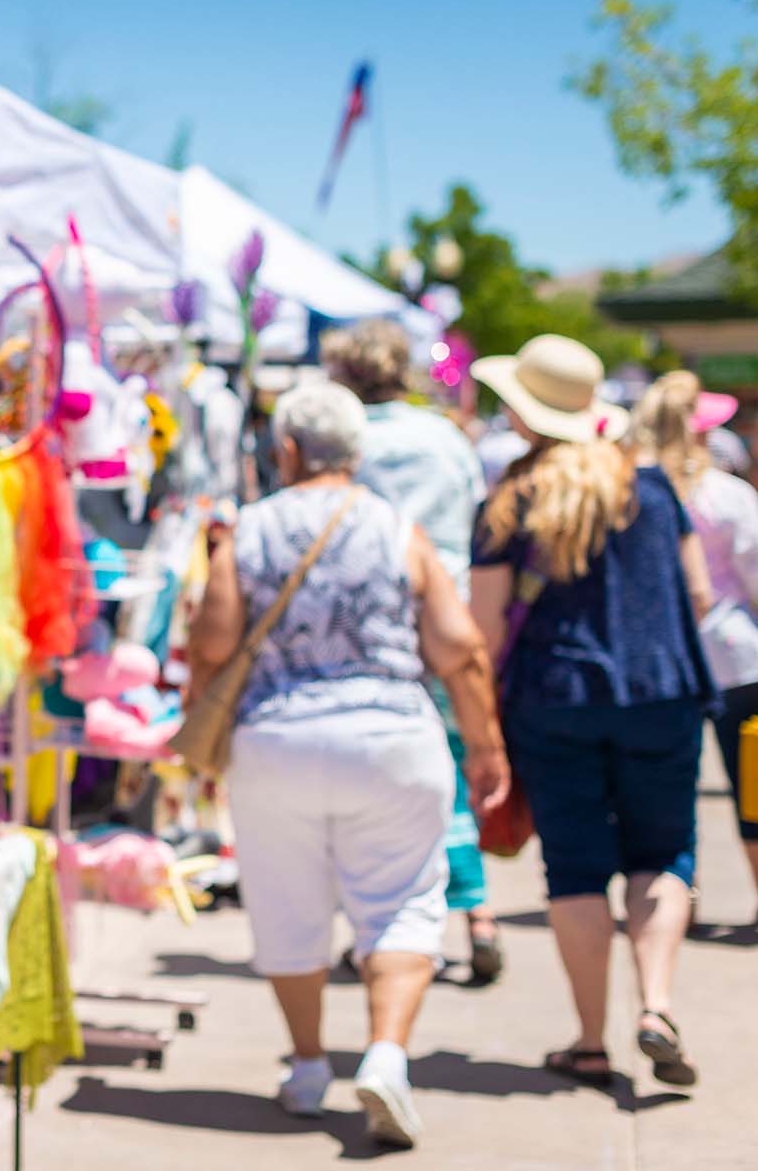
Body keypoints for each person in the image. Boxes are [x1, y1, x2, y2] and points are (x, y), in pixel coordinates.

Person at [187, 380, 509, 1148]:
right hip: (392, 738)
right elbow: (460, 649)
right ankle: (387, 1055)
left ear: (288, 451)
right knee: (401, 899)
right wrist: (487, 746)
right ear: (356, 451)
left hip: (278, 742)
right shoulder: (400, 528)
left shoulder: (249, 529)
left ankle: (305, 1067)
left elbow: (212, 643)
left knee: (286, 902)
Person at [470, 335, 714, 1088]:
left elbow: (481, 628)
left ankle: (588, 1039)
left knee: (575, 865)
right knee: (663, 853)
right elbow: (698, 594)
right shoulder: (653, 487)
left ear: (522, 411)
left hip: (555, 698)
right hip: (661, 692)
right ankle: (659, 1006)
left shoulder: (511, 498)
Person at [324, 319, 504, 982]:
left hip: (372, 628)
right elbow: (478, 518)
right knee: (453, 770)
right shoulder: (444, 437)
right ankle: (475, 911)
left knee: (376, 781)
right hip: (451, 613)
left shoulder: (344, 438)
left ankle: (383, 926)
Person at [632, 371, 758, 916]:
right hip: (737, 658)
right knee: (752, 788)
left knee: (673, 791)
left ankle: (684, 898)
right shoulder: (730, 496)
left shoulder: (636, 495)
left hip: (664, 663)